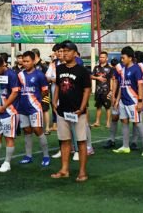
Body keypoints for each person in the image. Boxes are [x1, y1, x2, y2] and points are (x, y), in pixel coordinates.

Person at [50, 41, 91, 182]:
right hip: (63, 111)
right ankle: (64, 169)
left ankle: (82, 171)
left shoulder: (82, 70)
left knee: (81, 141)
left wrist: (82, 107)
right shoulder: (60, 68)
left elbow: (87, 90)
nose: (64, 53)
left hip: (77, 112)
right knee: (64, 141)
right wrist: (54, 101)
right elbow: (58, 86)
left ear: (75, 53)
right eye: (62, 51)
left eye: (67, 51)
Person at [112, 46, 143, 157]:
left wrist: (140, 101)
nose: (121, 60)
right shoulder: (123, 70)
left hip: (133, 101)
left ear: (130, 58)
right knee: (124, 122)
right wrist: (117, 100)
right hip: (123, 101)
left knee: (138, 123)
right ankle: (125, 146)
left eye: (123, 57)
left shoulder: (136, 69)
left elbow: (140, 85)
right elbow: (122, 86)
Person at [17, 50, 51, 167]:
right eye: (23, 61)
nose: (25, 63)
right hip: (22, 108)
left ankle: (46, 155)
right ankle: (28, 155)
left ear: (33, 61)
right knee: (26, 131)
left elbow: (45, 91)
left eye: (27, 61)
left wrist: (37, 100)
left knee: (38, 130)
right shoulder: (20, 75)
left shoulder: (39, 75)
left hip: (35, 108)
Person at [91, 51, 113, 129]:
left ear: (106, 58)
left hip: (106, 91)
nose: (101, 58)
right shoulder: (96, 68)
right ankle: (97, 122)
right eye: (100, 57)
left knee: (107, 107)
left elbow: (112, 79)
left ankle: (108, 123)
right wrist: (97, 78)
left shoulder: (110, 68)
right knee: (98, 107)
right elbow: (91, 76)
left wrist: (111, 90)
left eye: (103, 57)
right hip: (98, 91)